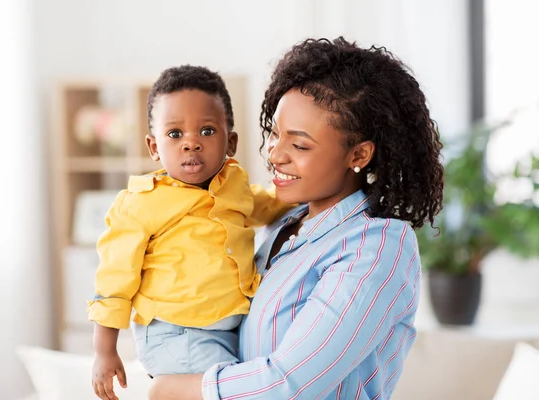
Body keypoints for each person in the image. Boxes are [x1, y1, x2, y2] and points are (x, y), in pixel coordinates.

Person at [147, 37, 444, 400]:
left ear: (360, 154)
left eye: (299, 144)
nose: (275, 155)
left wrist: (169, 389)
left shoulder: (377, 246)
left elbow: (289, 384)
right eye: (274, 134)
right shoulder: (284, 223)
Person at [88, 66, 292, 400]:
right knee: (241, 392)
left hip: (227, 329)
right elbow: (113, 282)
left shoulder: (235, 185)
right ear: (154, 147)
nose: (191, 143)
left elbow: (265, 205)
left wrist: (300, 193)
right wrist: (104, 351)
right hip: (176, 333)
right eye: (175, 134)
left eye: (208, 131)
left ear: (232, 142)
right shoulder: (140, 202)